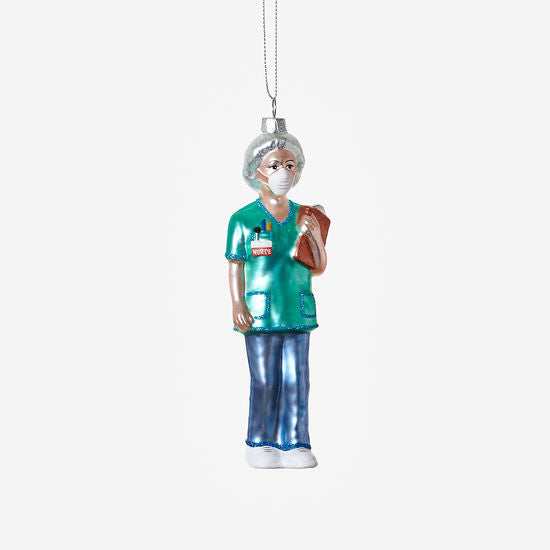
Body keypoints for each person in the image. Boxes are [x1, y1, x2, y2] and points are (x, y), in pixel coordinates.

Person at [225, 118, 327, 469]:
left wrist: (314, 236)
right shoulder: (242, 219)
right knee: (265, 378)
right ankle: (262, 440)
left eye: (289, 165)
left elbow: (318, 266)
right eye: (274, 165)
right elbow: (235, 265)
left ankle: (295, 442)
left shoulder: (305, 217)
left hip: (297, 310)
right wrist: (237, 303)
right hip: (260, 313)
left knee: (297, 378)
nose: (283, 172)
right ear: (256, 170)